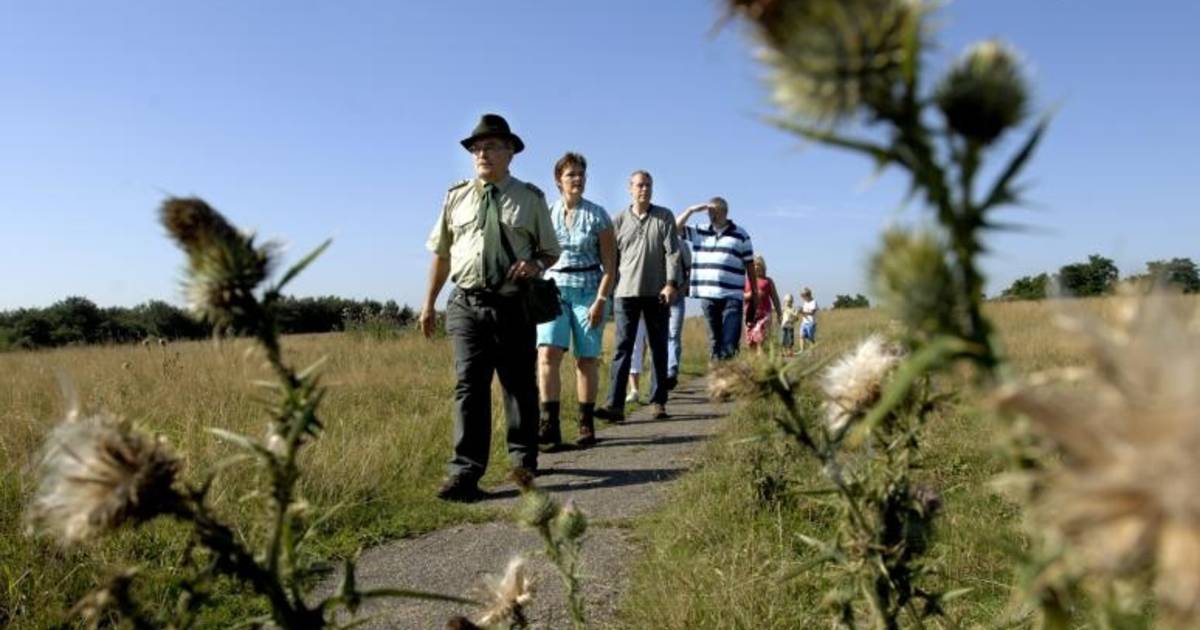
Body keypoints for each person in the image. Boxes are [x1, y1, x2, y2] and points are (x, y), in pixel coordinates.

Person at [419, 113, 560, 502]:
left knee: (517, 384)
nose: (482, 153)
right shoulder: (455, 197)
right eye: (477, 147)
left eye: (492, 146)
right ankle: (465, 472)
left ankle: (522, 460)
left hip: (513, 303)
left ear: (510, 152)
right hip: (465, 302)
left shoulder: (530, 199)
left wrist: (535, 264)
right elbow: (443, 255)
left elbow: (550, 251)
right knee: (469, 385)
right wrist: (429, 303)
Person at [536, 152, 616, 451]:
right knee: (547, 355)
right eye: (571, 174)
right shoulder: (547, 214)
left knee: (586, 359)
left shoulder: (598, 215)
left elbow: (610, 265)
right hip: (553, 291)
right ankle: (550, 426)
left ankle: (585, 423)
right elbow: (538, 255)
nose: (578, 179)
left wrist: (601, 300)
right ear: (559, 180)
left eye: (581, 174)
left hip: (588, 291)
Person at [594, 171, 681, 423]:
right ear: (630, 188)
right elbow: (611, 258)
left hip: (657, 293)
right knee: (622, 348)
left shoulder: (663, 217)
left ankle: (658, 401)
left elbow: (672, 254)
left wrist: (671, 284)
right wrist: (607, 289)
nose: (644, 189)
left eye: (648, 185)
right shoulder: (618, 220)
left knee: (658, 347)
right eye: (640, 185)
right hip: (625, 294)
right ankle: (615, 405)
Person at [676, 197, 757, 361]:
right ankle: (717, 380)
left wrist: (754, 292)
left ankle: (729, 381)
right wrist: (691, 210)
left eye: (714, 210)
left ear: (724, 212)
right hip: (708, 295)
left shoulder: (741, 235)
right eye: (708, 211)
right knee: (714, 342)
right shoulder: (700, 230)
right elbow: (674, 229)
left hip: (732, 295)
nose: (710, 214)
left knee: (729, 343)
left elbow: (750, 265)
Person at [743, 255, 782, 353]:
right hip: (750, 316)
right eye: (754, 265)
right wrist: (751, 294)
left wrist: (779, 313)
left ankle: (762, 360)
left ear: (763, 267)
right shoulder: (746, 281)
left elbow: (775, 298)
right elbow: (741, 296)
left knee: (760, 338)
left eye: (759, 265)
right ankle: (755, 364)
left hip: (764, 315)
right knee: (751, 342)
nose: (756, 267)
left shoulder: (768, 281)